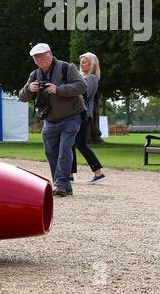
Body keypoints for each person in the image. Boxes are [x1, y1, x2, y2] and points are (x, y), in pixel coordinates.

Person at [19, 43, 87, 197]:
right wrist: (30, 89)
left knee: (65, 149)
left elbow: (82, 86)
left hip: (71, 117)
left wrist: (58, 89)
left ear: (50, 53)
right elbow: (22, 96)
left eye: (42, 56)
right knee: (50, 152)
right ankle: (63, 185)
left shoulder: (66, 68)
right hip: (49, 120)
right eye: (36, 58)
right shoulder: (34, 75)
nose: (40, 60)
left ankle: (60, 184)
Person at [72, 52, 106, 184]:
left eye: (84, 61)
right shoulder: (81, 77)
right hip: (77, 114)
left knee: (79, 144)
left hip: (83, 114)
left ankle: (98, 173)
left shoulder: (91, 78)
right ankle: (96, 173)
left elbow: (84, 95)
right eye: (81, 61)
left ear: (92, 64)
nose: (81, 64)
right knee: (75, 144)